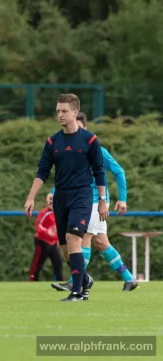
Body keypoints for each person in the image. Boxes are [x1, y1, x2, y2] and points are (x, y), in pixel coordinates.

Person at [24, 93, 108, 302]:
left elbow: (99, 171)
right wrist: (31, 197)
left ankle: (77, 292)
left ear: (75, 112)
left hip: (82, 196)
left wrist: (102, 200)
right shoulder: (52, 141)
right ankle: (85, 280)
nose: (60, 115)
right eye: (58, 111)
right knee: (65, 251)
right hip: (61, 197)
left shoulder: (90, 140)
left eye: (64, 111)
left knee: (73, 239)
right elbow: (43, 171)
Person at [48, 112, 139, 292]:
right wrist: (54, 191)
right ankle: (129, 278)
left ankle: (77, 282)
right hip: (79, 200)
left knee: (82, 240)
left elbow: (119, 172)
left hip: (94, 202)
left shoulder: (97, 150)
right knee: (101, 243)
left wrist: (123, 199)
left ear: (85, 129)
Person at [29, 205, 64, 282]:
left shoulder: (61, 213)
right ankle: (32, 279)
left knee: (58, 263)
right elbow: (38, 225)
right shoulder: (44, 212)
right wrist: (46, 232)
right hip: (42, 241)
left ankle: (61, 282)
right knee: (37, 264)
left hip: (53, 242)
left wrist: (58, 240)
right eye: (50, 199)